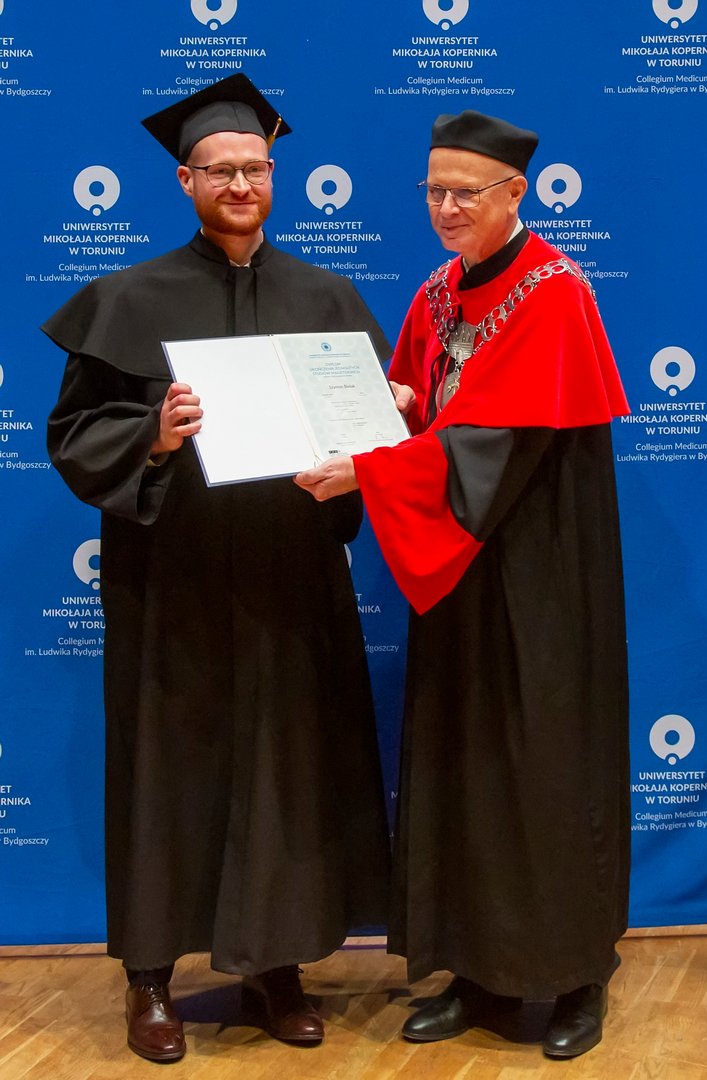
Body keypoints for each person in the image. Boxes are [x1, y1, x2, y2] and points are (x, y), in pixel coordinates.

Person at [43, 73, 391, 1064]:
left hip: (288, 579)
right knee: (167, 772)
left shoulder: (326, 298)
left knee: (286, 769)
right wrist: (152, 435)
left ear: (275, 177)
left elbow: (368, 441)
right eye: (221, 170)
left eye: (256, 168)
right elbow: (72, 436)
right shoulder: (127, 299)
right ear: (186, 181)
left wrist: (376, 435)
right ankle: (150, 979)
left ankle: (275, 968)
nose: (242, 184)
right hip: (174, 581)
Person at [295, 110, 630, 1060]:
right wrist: (389, 410)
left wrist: (373, 469)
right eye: (433, 191)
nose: (445, 209)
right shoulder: (439, 292)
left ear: (516, 193)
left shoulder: (555, 293)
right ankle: (478, 974)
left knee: (546, 763)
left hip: (539, 575)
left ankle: (575, 979)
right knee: (467, 765)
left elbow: (497, 446)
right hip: (460, 574)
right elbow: (418, 410)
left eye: (465, 194)